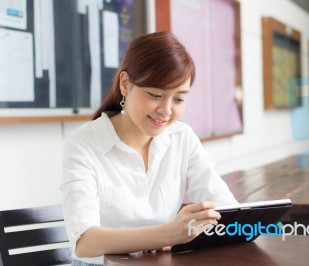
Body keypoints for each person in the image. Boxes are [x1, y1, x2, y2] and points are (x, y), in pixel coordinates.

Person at [60, 31, 238, 265]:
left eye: (179, 99)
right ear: (125, 84)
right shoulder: (83, 144)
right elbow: (85, 242)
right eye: (155, 95)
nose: (166, 110)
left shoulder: (181, 137)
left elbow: (226, 210)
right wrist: (168, 234)